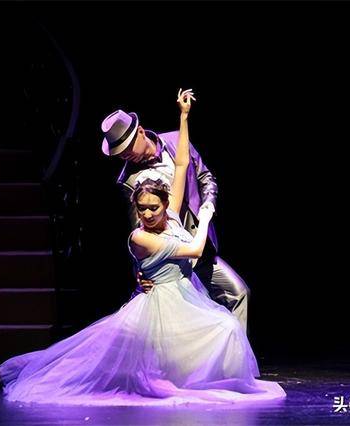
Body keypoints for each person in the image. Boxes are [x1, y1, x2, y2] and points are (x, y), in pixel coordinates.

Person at [0, 89, 286, 405]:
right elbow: (142, 238)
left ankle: (232, 372)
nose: (148, 213)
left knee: (231, 303)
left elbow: (186, 166)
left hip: (187, 270)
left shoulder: (170, 195)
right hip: (166, 280)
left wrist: (183, 117)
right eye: (144, 209)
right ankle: (16, 369)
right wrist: (142, 271)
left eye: (154, 207)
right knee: (93, 358)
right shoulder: (134, 196)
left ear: (140, 132)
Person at [102, 92, 250, 334]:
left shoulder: (176, 142)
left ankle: (235, 354)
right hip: (170, 258)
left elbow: (202, 176)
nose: (124, 155)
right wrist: (141, 271)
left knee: (239, 293)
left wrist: (207, 206)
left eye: (127, 147)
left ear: (140, 132)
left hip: (195, 242)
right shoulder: (128, 181)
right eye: (119, 153)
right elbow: (138, 230)